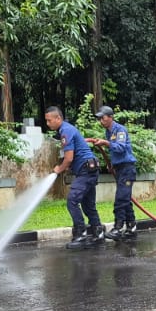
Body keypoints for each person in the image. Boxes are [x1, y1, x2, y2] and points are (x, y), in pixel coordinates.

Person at [45, 106, 104, 249]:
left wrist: (59, 169)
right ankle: (98, 233)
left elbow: (69, 158)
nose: (47, 123)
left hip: (86, 170)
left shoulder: (66, 130)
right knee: (88, 205)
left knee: (72, 201)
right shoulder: (66, 129)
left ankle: (81, 234)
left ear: (58, 118)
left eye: (49, 120)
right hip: (90, 169)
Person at [88, 105, 139, 242]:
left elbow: (121, 148)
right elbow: (114, 152)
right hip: (120, 169)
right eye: (99, 119)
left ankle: (118, 228)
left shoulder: (120, 130)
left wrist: (106, 143)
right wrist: (112, 165)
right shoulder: (108, 132)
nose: (101, 121)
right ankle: (131, 226)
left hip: (127, 169)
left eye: (103, 118)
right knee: (125, 199)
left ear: (110, 117)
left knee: (121, 199)